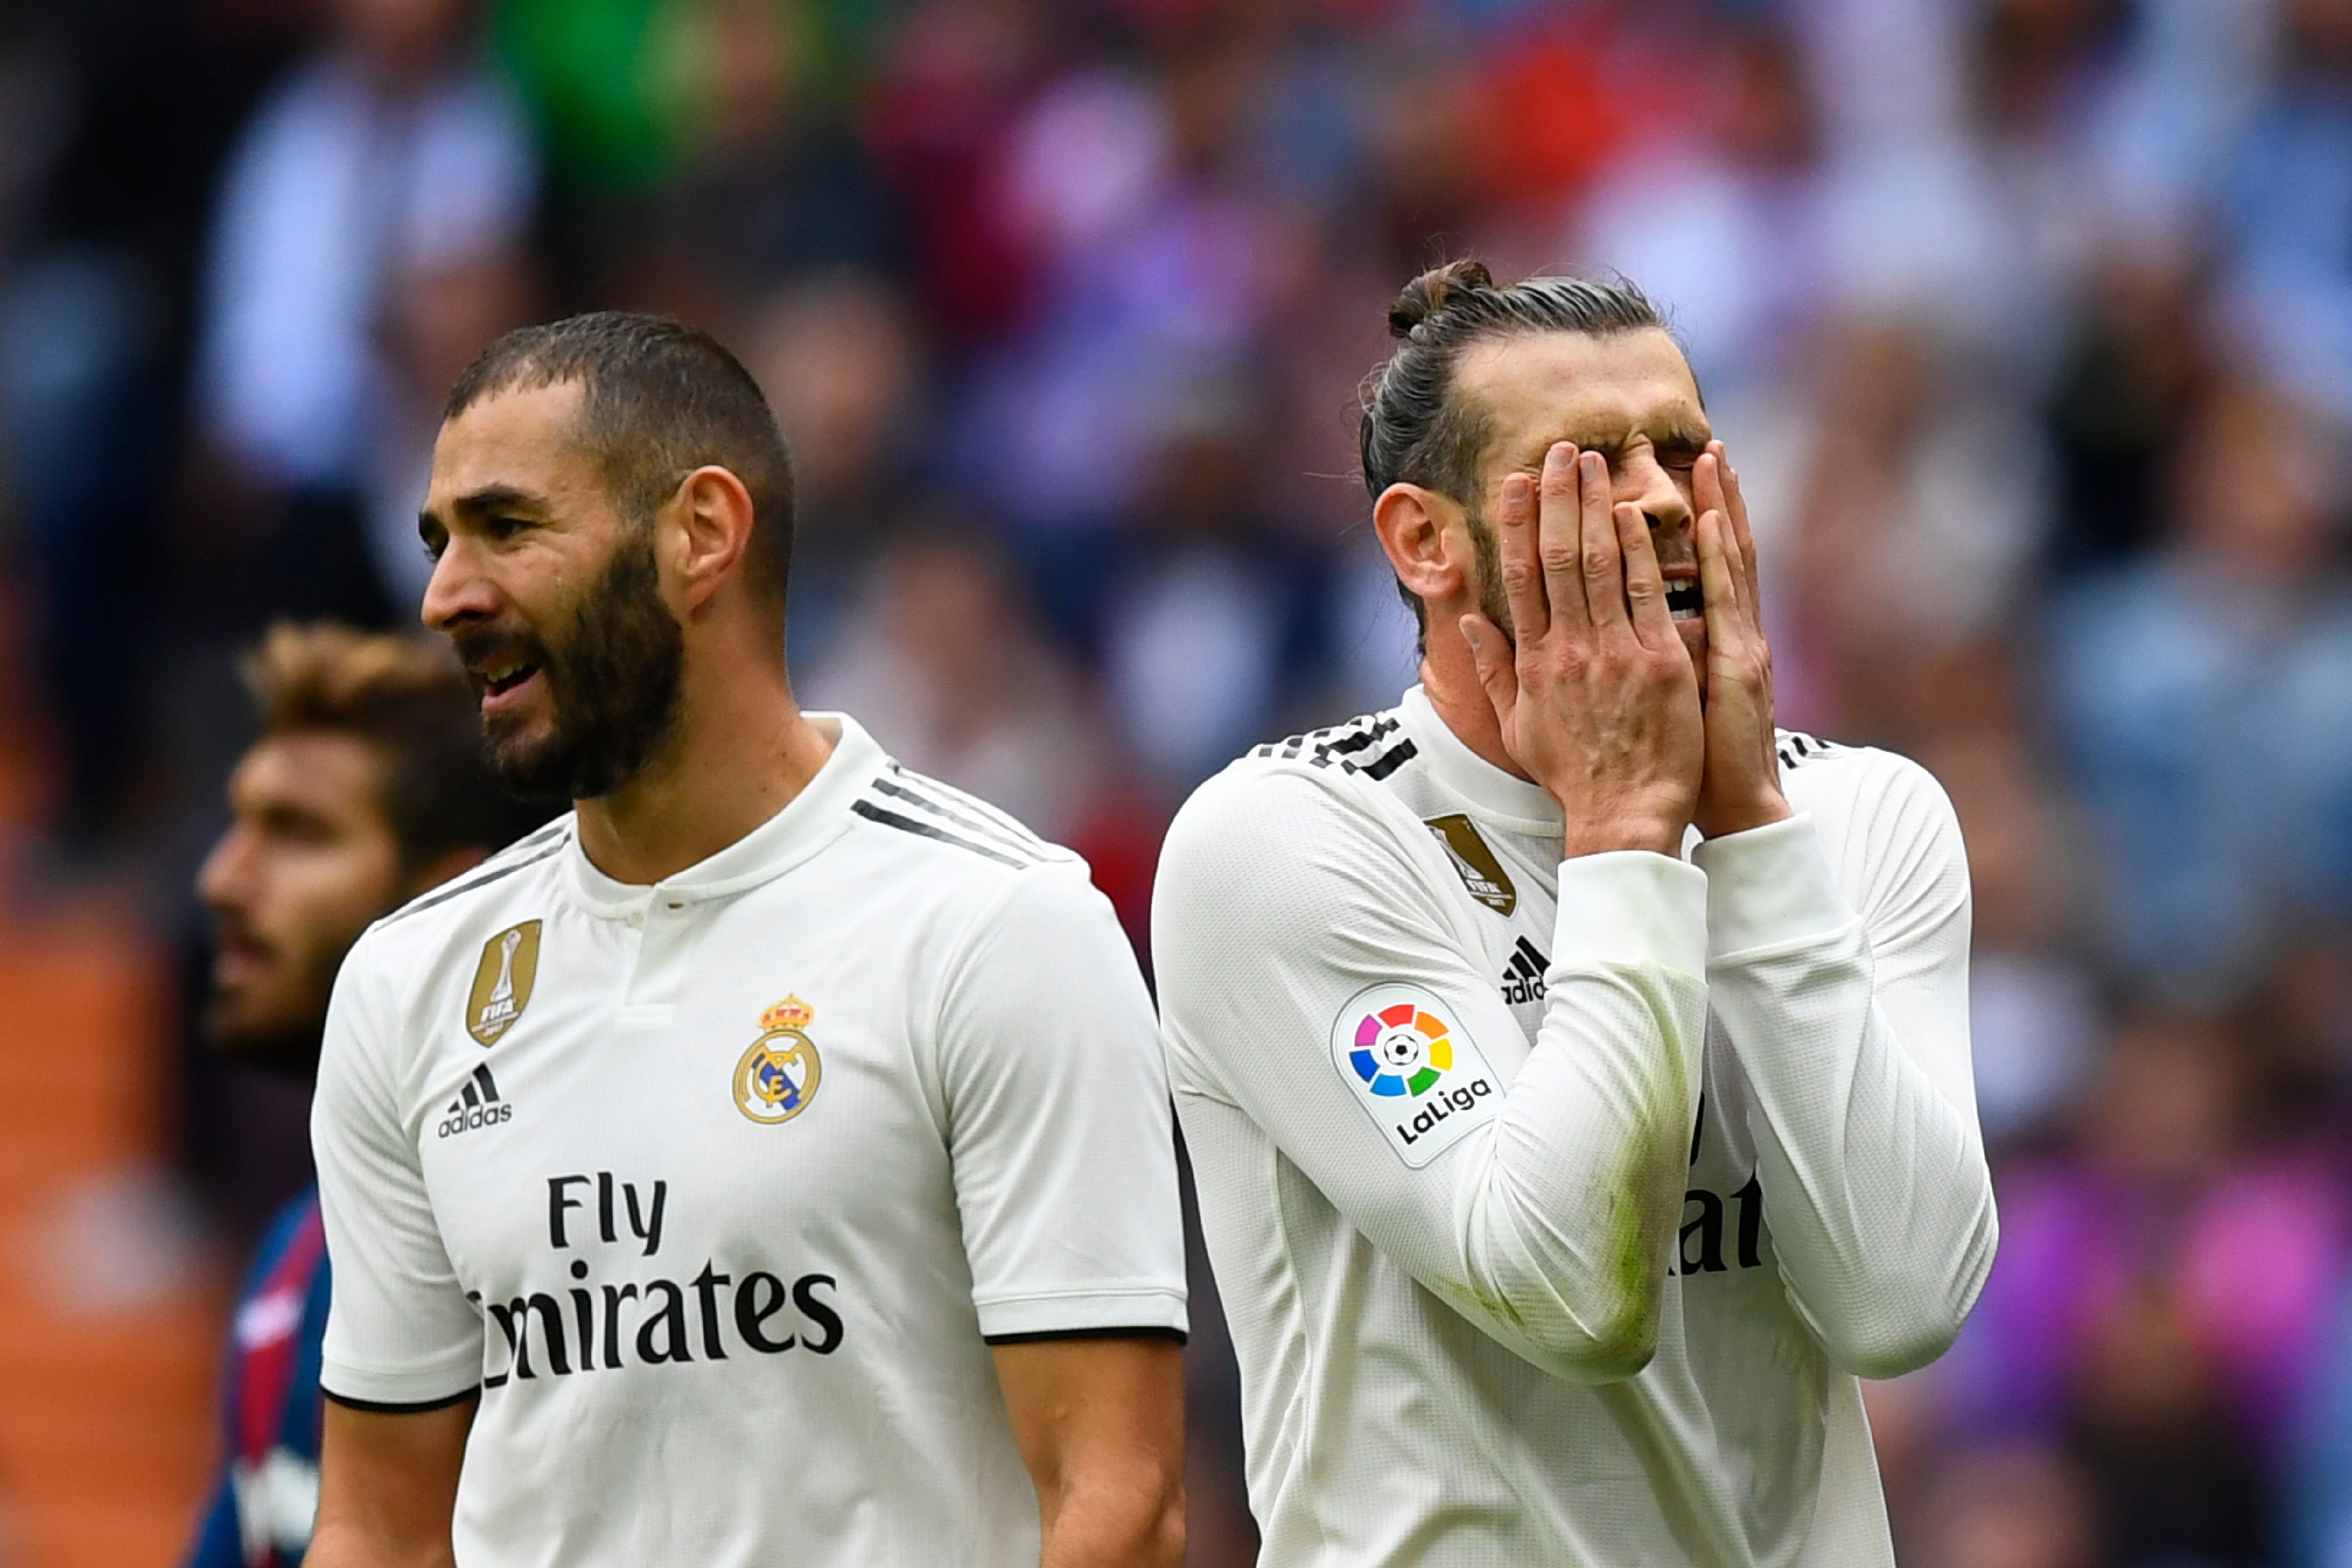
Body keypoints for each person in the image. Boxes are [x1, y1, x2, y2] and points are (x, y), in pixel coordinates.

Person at [305, 313, 1189, 1567]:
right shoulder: (409, 983)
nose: (446, 595)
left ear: (703, 533)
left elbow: (1120, 1505)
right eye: (439, 541)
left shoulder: (998, 927)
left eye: (507, 527)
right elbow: (376, 1528)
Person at [1152, 261, 1997, 1565]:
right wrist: (1621, 826)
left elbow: (1901, 1305)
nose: (1658, 498)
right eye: (1589, 465)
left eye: (1683, 451)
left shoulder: (1863, 815)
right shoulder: (1287, 841)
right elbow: (1571, 1298)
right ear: (1422, 541)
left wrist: (1750, 832)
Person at [186, 623, 551, 1568]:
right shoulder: (295, 1253)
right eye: (240, 823)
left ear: (452, 901)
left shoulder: (567, 1251)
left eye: (298, 832)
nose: (222, 879)